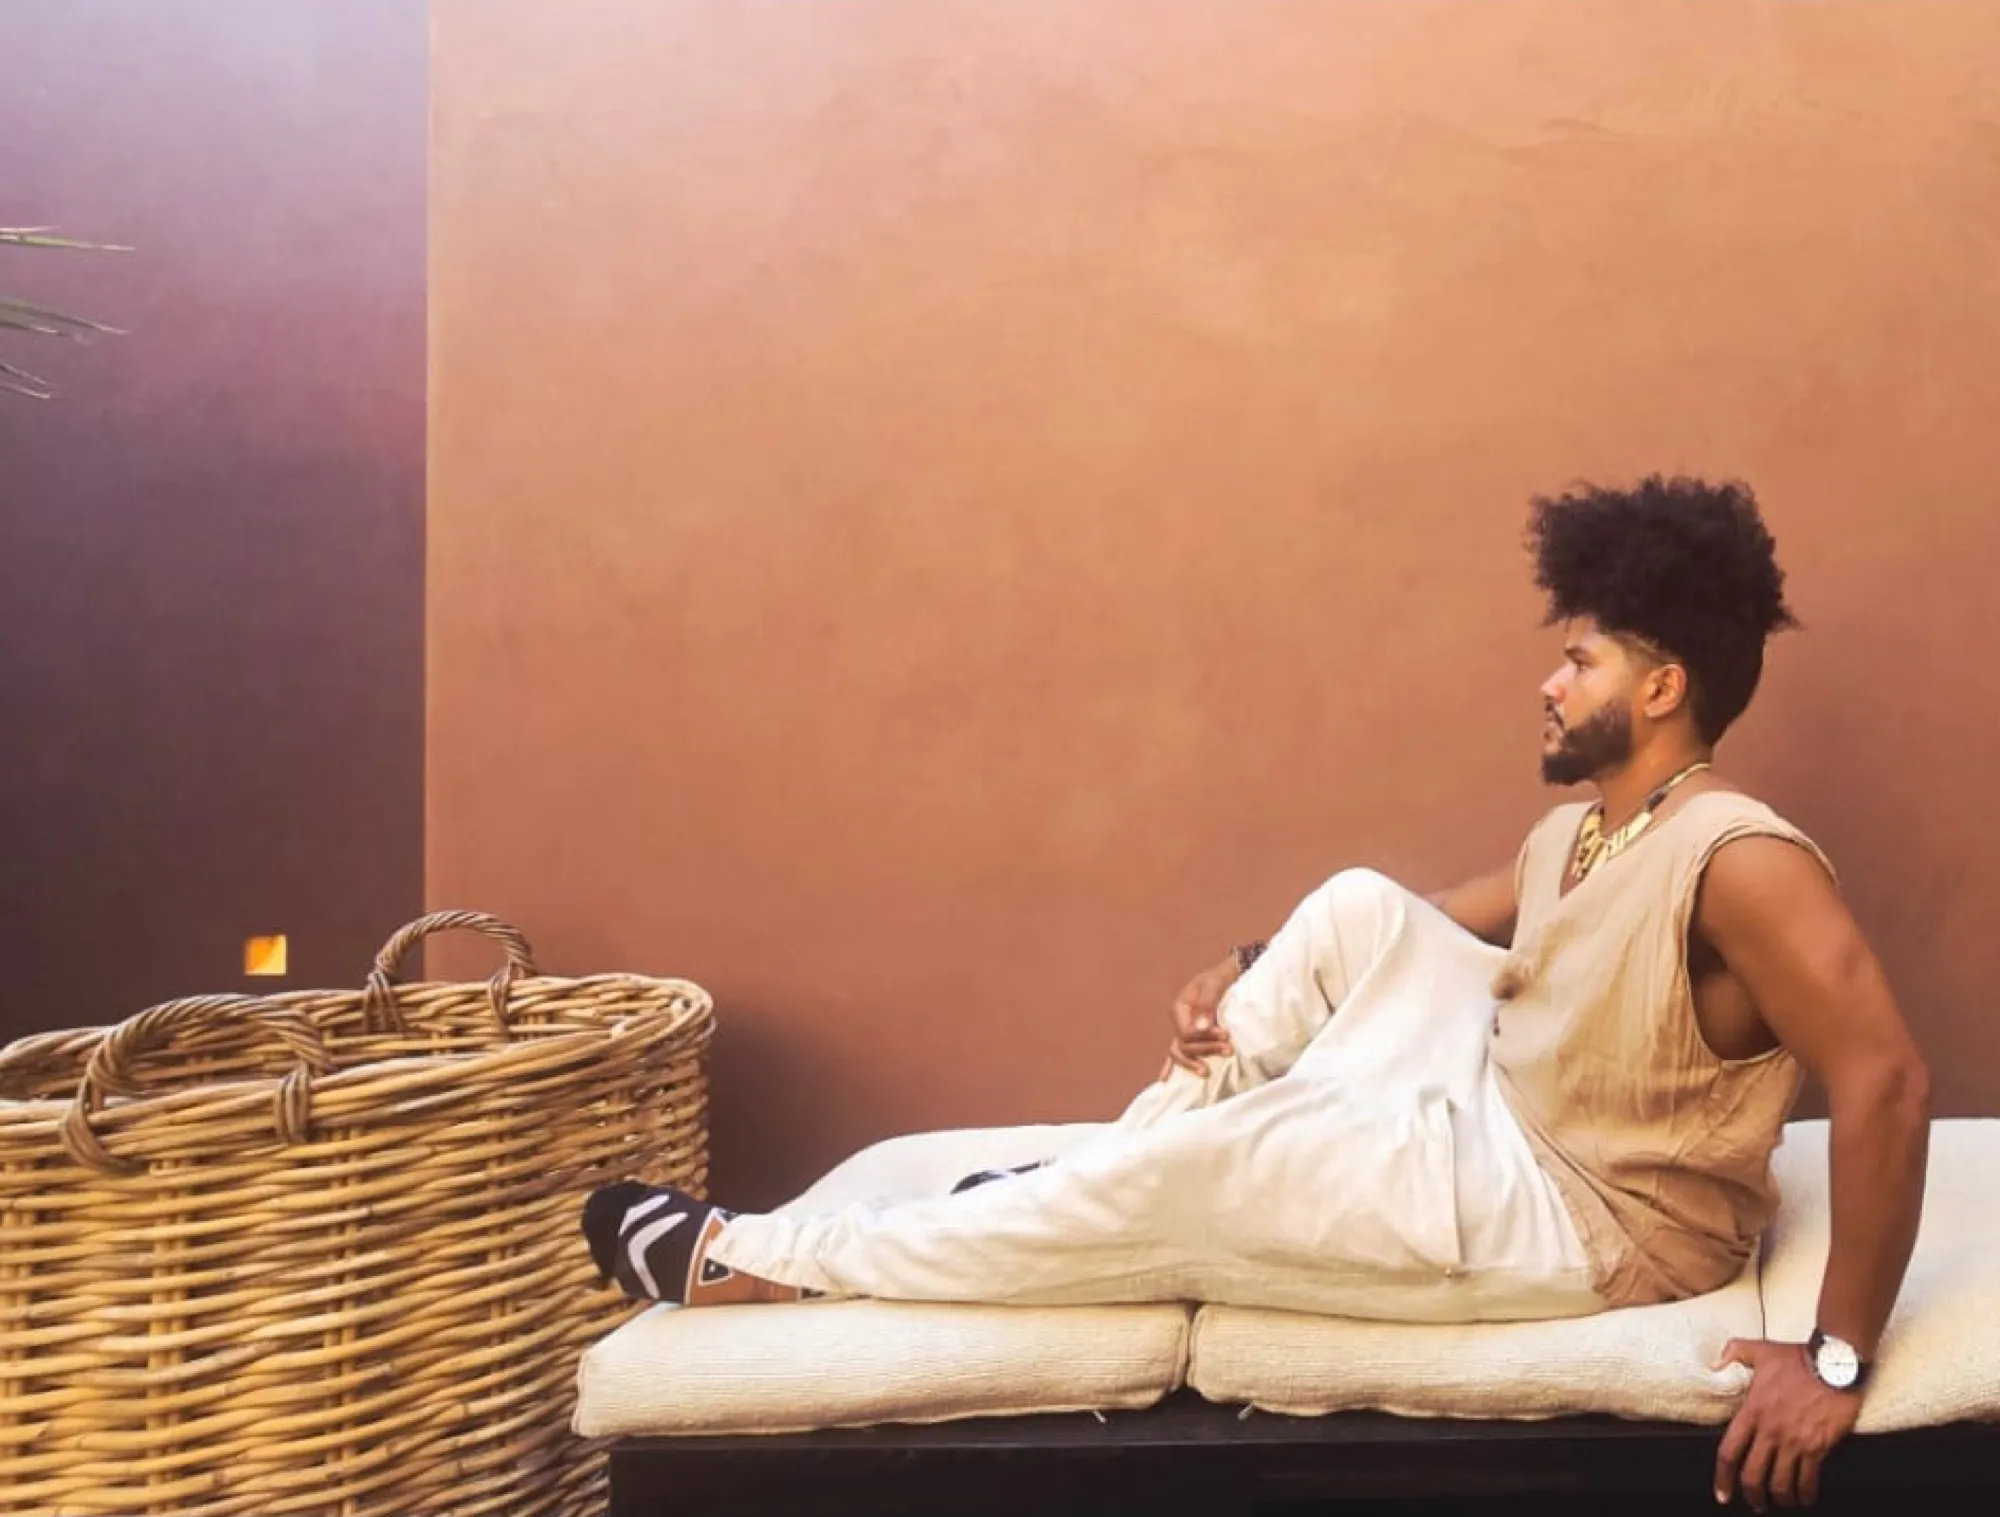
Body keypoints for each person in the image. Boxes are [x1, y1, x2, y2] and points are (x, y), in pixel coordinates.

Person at [583, 475, 1929, 1511]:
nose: (1547, 677)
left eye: (1578, 659)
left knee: (1223, 1160)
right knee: (1349, 900)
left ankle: (765, 1264)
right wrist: (1235, 970)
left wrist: (1838, 1359)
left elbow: (1886, 1077)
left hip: (1591, 1219)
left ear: (1662, 685)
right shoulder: (1580, 837)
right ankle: (1094, 1183)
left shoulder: (1737, 854)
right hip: (1496, 1118)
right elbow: (1404, 930)